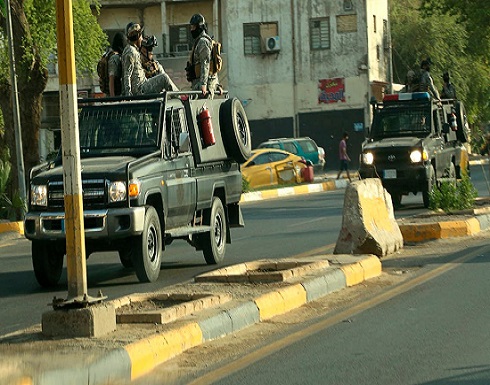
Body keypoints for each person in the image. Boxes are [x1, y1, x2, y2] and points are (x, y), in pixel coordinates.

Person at [122, 22, 178, 96]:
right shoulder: (131, 51)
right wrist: (128, 95)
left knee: (161, 78)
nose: (142, 39)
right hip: (140, 90)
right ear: (138, 36)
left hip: (142, 85)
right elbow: (127, 75)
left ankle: (177, 95)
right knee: (164, 78)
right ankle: (181, 97)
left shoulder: (133, 50)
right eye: (141, 35)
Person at [187, 13, 218, 99]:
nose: (191, 30)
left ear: (199, 27)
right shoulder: (198, 42)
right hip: (198, 82)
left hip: (204, 84)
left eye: (193, 27)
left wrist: (203, 84)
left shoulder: (203, 42)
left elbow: (206, 63)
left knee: (202, 110)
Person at [108, 32, 125, 97]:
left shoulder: (117, 56)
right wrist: (113, 98)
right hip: (115, 95)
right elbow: (111, 78)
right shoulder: (114, 58)